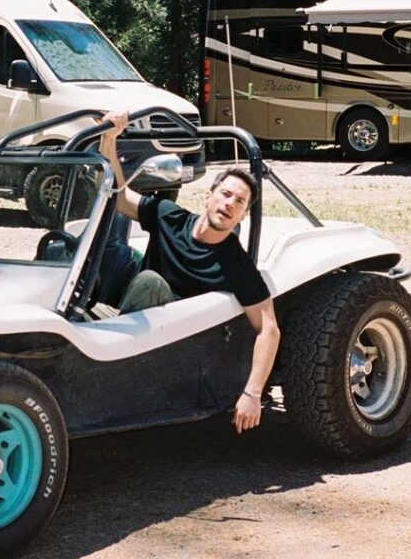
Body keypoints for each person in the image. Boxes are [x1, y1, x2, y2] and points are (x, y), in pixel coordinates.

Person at [98, 111, 280, 434]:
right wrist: (109, 141)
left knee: (150, 281)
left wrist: (251, 393)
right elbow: (121, 198)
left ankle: (104, 374)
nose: (229, 204)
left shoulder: (236, 263)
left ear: (241, 216)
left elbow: (269, 328)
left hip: (166, 345)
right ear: (208, 196)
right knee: (72, 247)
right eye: (226, 194)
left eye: (240, 202)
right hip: (128, 314)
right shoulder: (171, 217)